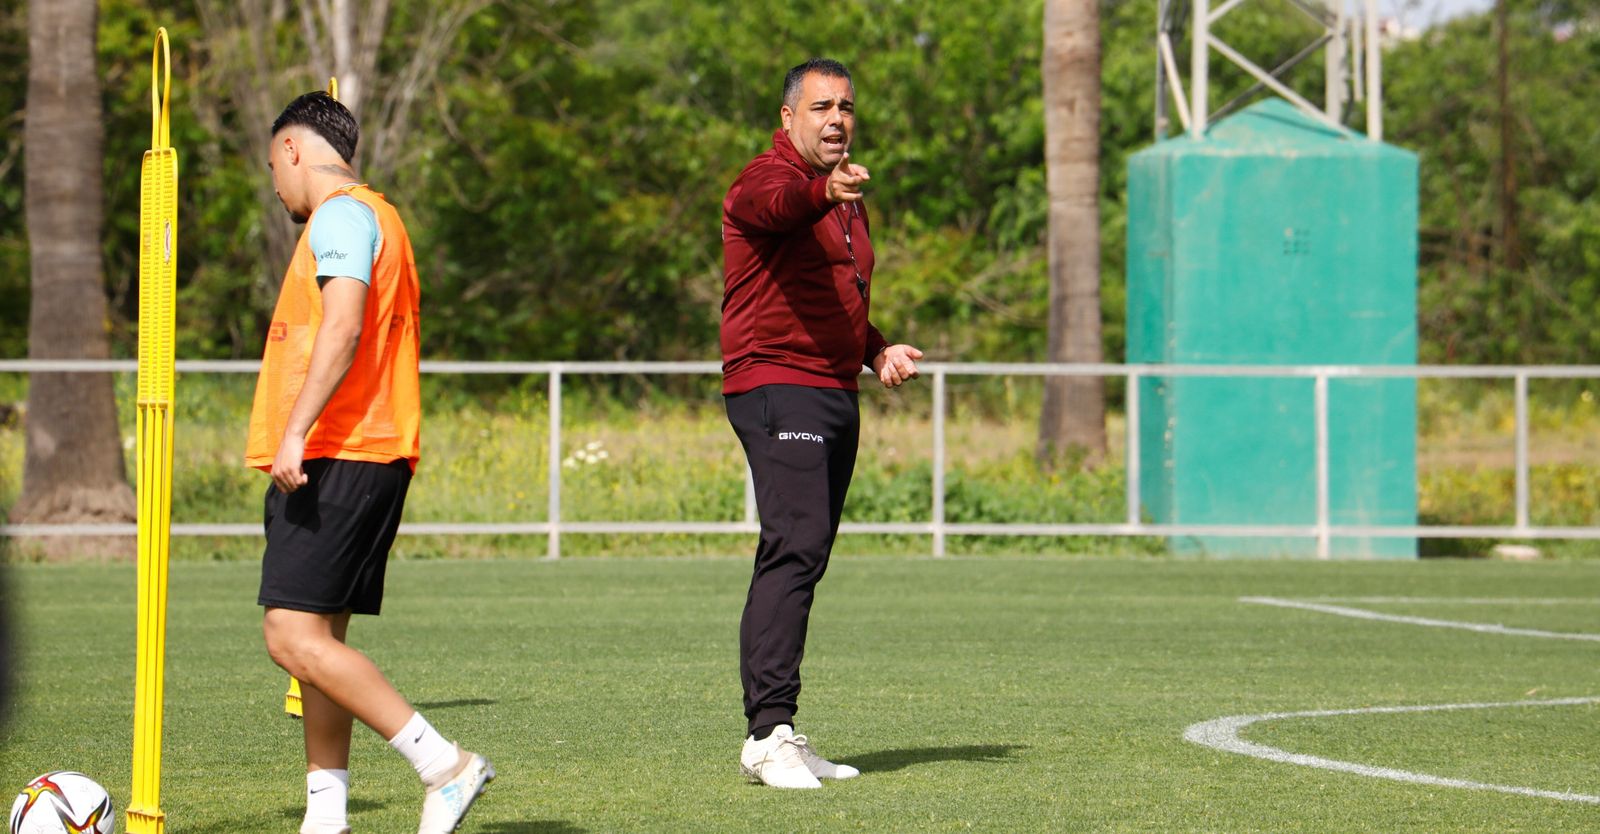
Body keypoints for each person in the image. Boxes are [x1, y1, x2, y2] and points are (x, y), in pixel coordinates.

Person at [245, 91, 492, 834]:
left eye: (272, 168)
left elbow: (345, 325)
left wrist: (295, 432)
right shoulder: (377, 214)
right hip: (372, 450)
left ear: (292, 149)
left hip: (339, 450)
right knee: (319, 645)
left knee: (290, 637)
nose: (277, 186)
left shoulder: (341, 215)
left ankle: (444, 766)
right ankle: (327, 814)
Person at [720, 58, 925, 789]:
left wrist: (877, 348)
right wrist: (819, 190)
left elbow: (836, 295)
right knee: (794, 547)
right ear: (787, 119)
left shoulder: (846, 199)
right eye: (819, 107)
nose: (836, 118)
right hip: (778, 384)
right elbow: (778, 208)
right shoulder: (768, 180)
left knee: (805, 556)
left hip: (834, 389)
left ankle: (780, 726)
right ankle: (764, 735)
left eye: (845, 107)